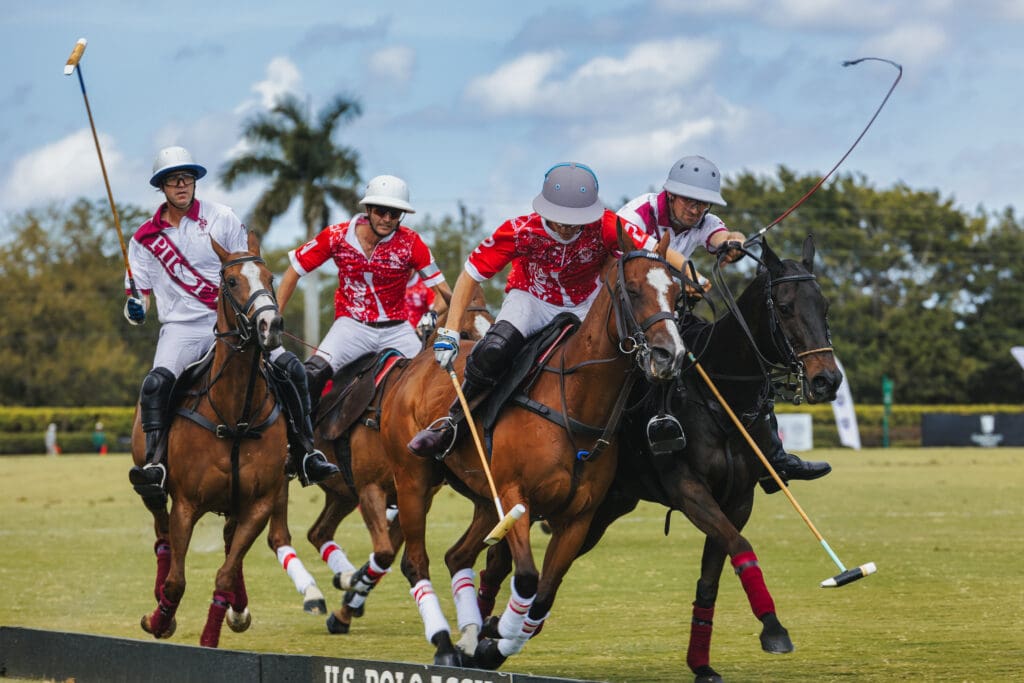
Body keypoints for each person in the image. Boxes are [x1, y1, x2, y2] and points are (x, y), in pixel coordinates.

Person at [408, 162, 694, 459]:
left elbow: (654, 250)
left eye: (577, 219)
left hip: (585, 302)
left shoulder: (607, 224)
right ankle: (453, 421)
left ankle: (645, 430)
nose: (568, 226)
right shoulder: (519, 230)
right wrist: (450, 331)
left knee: (629, 354)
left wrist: (689, 273)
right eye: (561, 218)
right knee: (494, 348)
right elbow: (471, 274)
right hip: (531, 298)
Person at [123, 146, 337, 503]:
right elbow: (139, 296)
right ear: (162, 186)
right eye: (174, 180)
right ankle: (155, 464)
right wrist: (135, 307)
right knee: (156, 383)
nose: (182, 185)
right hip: (182, 327)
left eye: (187, 178)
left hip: (232, 321)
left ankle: (305, 453)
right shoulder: (144, 239)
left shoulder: (221, 217)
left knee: (292, 369)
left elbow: (248, 267)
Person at [618, 155, 831, 493]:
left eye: (703, 203)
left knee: (731, 351)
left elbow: (719, 234)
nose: (696, 208)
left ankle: (771, 458)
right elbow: (654, 254)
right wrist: (689, 273)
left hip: (667, 311)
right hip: (623, 309)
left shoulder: (703, 218)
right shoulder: (636, 213)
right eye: (689, 200)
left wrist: (731, 243)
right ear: (670, 194)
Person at [276, 174, 451, 408]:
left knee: (436, 381)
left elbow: (444, 293)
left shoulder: (411, 243)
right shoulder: (336, 236)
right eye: (381, 211)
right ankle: (302, 440)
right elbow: (293, 271)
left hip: (397, 330)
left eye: (395, 214)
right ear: (368, 208)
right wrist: (276, 315)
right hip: (351, 327)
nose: (387, 219)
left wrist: (432, 313)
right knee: (311, 375)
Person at [405, 272, 438, 340]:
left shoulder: (426, 284)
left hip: (420, 334)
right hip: (398, 332)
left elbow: (435, 308)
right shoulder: (391, 284)